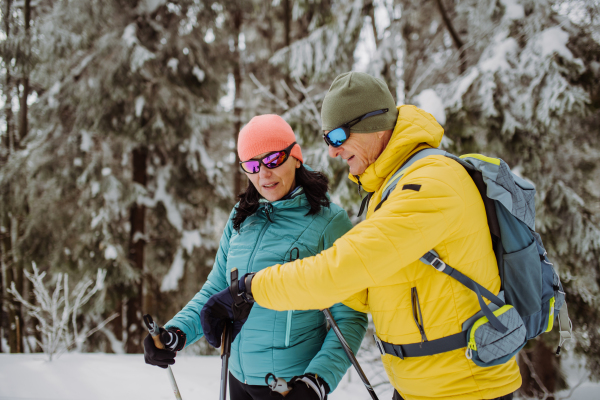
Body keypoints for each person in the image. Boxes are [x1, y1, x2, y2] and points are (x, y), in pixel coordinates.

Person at [200, 72, 522, 400]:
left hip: (465, 386)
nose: (333, 152)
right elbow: (364, 289)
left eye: (339, 136)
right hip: (423, 384)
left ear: (374, 123)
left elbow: (346, 269)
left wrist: (251, 288)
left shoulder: (430, 184)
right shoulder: (392, 188)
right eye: (327, 140)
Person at [143, 114, 368, 400]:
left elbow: (350, 317)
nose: (263, 174)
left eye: (273, 160)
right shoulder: (241, 217)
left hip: (291, 387)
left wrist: (317, 381)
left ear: (295, 156)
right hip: (235, 377)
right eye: (251, 165)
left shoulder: (328, 221)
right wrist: (176, 332)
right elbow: (216, 290)